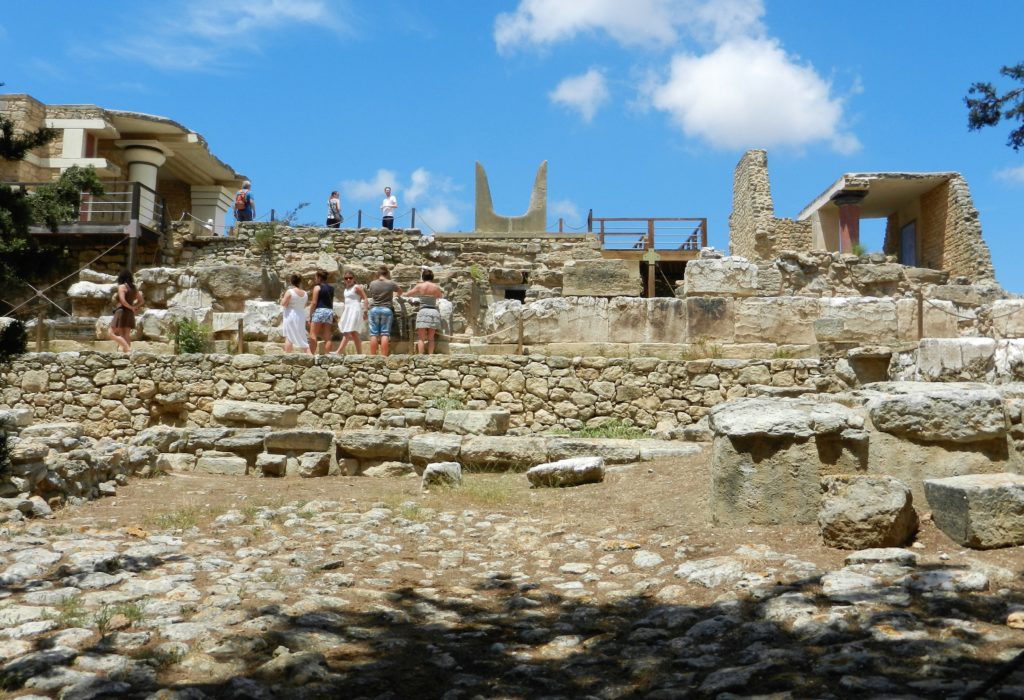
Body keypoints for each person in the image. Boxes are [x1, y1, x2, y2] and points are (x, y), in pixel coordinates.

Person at [404, 268, 444, 355]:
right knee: (431, 338)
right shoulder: (436, 287)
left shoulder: (419, 286)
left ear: (423, 277)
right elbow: (440, 297)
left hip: (423, 312)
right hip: (433, 312)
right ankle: (431, 355)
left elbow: (407, 294)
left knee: (421, 338)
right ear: (432, 277)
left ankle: (421, 355)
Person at [367, 265, 402, 356]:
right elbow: (400, 291)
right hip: (386, 309)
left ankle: (373, 356)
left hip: (374, 309)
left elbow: (372, 294)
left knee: (373, 334)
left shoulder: (372, 283)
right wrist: (395, 296)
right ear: (387, 274)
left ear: (378, 274)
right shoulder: (391, 283)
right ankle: (384, 356)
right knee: (385, 334)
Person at [109, 270, 144, 353]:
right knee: (126, 334)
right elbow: (142, 300)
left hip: (121, 311)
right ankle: (126, 353)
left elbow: (122, 300)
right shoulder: (134, 288)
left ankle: (127, 349)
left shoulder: (121, 287)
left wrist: (131, 307)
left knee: (111, 333)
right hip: (129, 313)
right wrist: (134, 307)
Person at [335, 270, 368, 355]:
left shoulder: (356, 287)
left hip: (355, 310)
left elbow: (365, 298)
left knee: (347, 331)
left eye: (350, 278)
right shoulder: (346, 289)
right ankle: (360, 354)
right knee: (354, 333)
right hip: (348, 311)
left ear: (354, 278)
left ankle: (339, 352)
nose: (348, 280)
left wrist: (365, 310)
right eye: (346, 278)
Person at [280, 273, 312, 354]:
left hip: (291, 315)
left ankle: (287, 356)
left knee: (289, 337)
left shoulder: (290, 291)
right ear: (300, 281)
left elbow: (284, 304)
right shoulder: (305, 294)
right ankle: (309, 355)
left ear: (291, 281)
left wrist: (282, 299)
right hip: (300, 315)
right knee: (302, 336)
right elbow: (304, 305)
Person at [308, 269, 336, 354]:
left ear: (319, 277)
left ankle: (311, 355)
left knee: (313, 335)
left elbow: (314, 302)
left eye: (316, 277)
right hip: (329, 311)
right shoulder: (331, 288)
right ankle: (328, 355)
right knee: (327, 337)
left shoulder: (317, 287)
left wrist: (310, 315)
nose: (315, 279)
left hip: (319, 310)